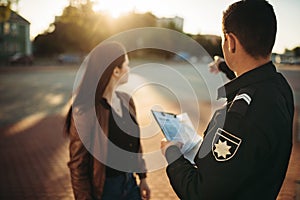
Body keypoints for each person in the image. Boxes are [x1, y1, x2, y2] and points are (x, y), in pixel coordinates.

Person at [161, 0, 294, 199]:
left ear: (230, 42)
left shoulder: (238, 119)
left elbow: (200, 193)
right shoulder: (280, 87)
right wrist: (225, 66)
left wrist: (173, 155)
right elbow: (254, 83)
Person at [64, 41, 151, 200]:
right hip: (106, 190)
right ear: (116, 71)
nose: (129, 69)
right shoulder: (86, 111)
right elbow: (77, 167)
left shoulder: (127, 100)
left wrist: (143, 178)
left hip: (131, 184)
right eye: (127, 64)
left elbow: (135, 146)